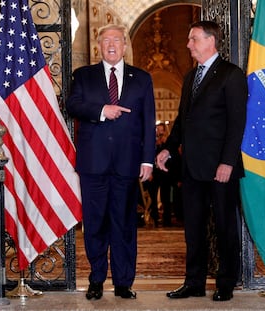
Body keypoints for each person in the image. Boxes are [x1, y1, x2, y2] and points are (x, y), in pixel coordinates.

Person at [156, 21, 247, 301]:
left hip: (221, 168)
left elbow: (236, 123)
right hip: (192, 168)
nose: (188, 44)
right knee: (193, 230)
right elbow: (183, 122)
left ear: (211, 41)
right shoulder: (189, 77)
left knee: (224, 227)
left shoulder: (231, 75)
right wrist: (168, 148)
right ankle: (194, 282)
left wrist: (227, 163)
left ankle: (225, 284)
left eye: (193, 39)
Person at [66, 24, 156, 300]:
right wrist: (102, 111)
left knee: (124, 224)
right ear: (99, 46)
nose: (112, 44)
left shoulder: (141, 78)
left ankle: (123, 282)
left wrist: (148, 160)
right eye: (106, 41)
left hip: (127, 164)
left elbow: (148, 122)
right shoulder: (83, 75)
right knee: (95, 224)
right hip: (93, 164)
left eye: (117, 40)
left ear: (125, 45)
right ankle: (95, 280)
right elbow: (72, 106)